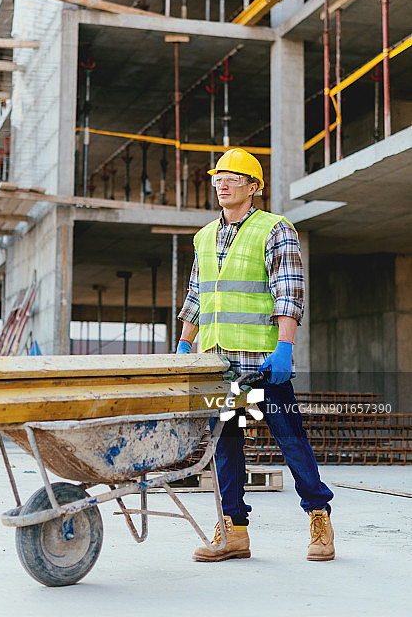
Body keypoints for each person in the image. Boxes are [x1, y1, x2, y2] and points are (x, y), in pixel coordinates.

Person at [177, 148, 335, 563]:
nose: (222, 184)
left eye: (232, 178)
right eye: (218, 178)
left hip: (263, 364)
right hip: (219, 365)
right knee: (226, 443)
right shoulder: (204, 236)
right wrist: (184, 344)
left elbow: (289, 290)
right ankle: (234, 530)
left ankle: (319, 517)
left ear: (253, 187)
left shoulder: (274, 229)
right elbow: (197, 295)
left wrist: (285, 347)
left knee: (290, 440)